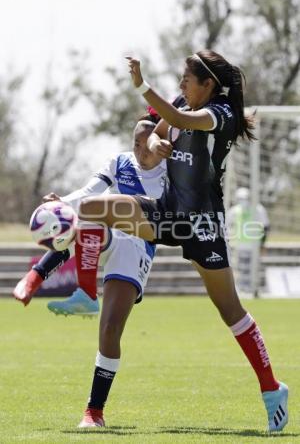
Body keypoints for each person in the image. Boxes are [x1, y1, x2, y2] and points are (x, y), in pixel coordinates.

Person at [76, 50, 288, 432]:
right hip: (168, 213)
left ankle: (272, 389)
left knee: (231, 312)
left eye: (185, 81)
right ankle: (86, 293)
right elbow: (159, 132)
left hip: (201, 225)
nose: (179, 86)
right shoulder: (181, 102)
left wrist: (141, 85)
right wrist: (158, 146)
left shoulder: (219, 113)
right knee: (91, 207)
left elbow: (178, 120)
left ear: (207, 85)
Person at [14, 118, 167, 427]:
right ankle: (38, 278)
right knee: (85, 217)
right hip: (108, 232)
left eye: (145, 145)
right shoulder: (120, 161)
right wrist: (64, 203)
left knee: (110, 330)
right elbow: (89, 190)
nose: (139, 151)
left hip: (138, 245)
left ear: (158, 144)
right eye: (135, 143)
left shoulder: (172, 172)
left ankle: (94, 411)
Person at [227, 187, 270, 296]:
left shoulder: (258, 209)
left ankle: (254, 290)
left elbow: (265, 227)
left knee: (254, 270)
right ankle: (242, 290)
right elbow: (225, 226)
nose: (243, 200)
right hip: (239, 246)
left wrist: (262, 244)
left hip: (254, 246)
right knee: (241, 270)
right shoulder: (234, 211)